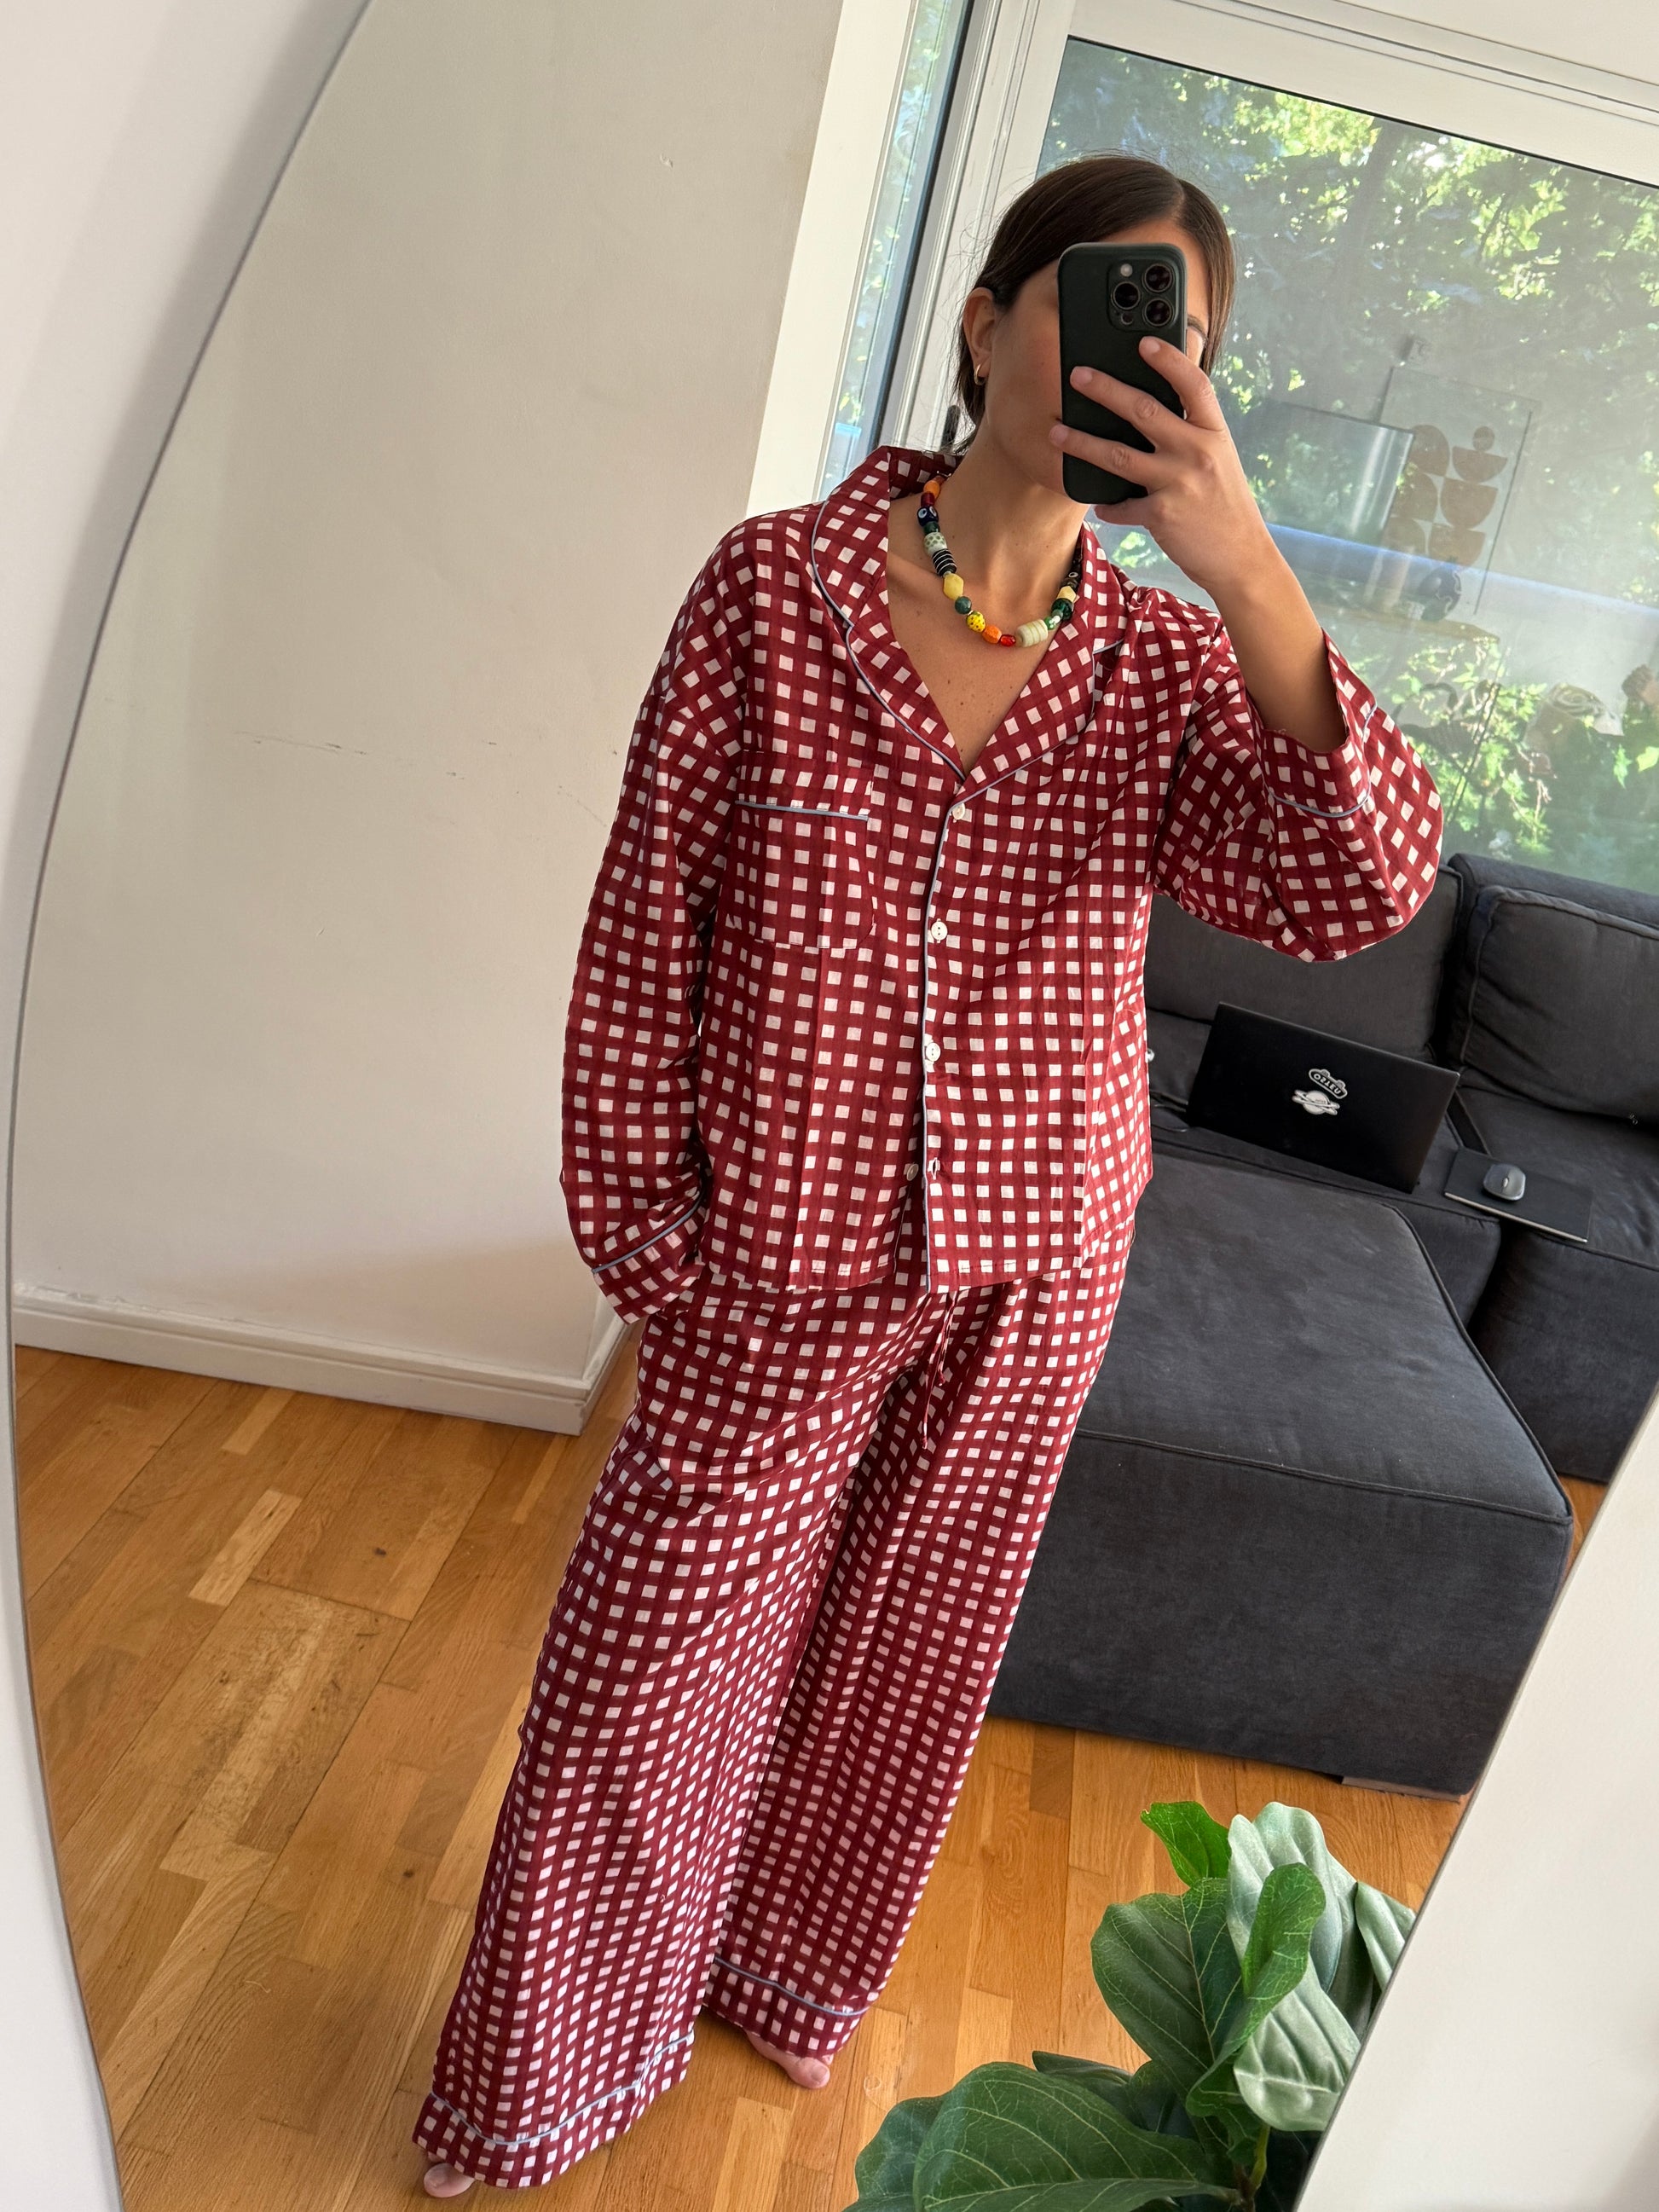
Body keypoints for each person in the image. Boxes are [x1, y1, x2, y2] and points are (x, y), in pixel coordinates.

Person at [412, 151, 1443, 2196]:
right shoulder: (768, 597)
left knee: (907, 1651)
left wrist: (1246, 564)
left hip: (1037, 1259)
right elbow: (644, 933)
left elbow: (1356, 884)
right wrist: (650, 1241)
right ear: (986, 322)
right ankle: (545, 2066)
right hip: (770, 1260)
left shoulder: (1164, 672)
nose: (1130, 359)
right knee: (643, 1668)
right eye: (1098, 304)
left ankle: (776, 1972)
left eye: (1179, 340)